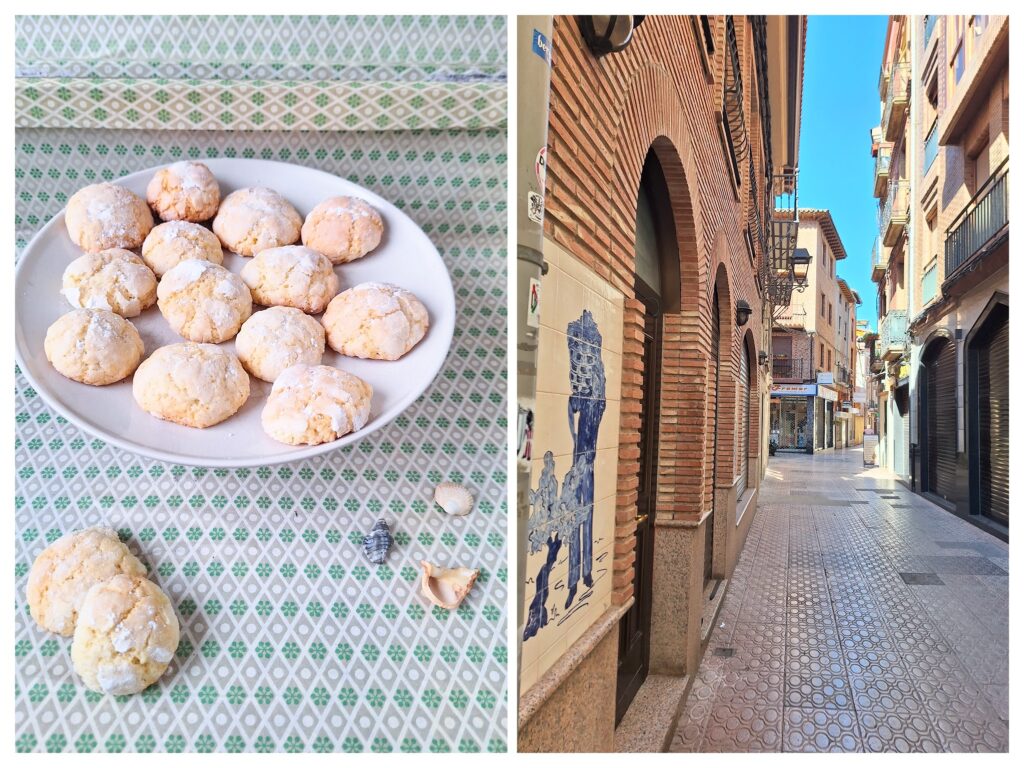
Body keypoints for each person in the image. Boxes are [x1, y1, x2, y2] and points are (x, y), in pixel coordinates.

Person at [564, 310, 605, 609]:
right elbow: (572, 412)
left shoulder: (595, 397)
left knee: (585, 509)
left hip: (586, 461)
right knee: (579, 511)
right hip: (582, 459)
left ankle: (583, 573)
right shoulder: (585, 396)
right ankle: (576, 575)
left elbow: (579, 415)